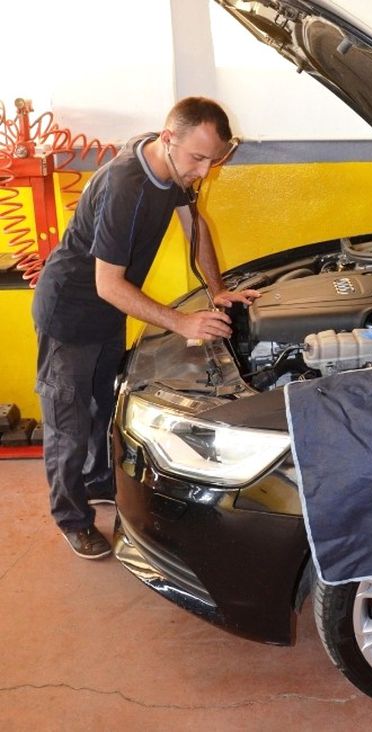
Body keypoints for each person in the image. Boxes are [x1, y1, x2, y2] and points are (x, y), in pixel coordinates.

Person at [32, 96, 260, 560]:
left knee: (104, 407)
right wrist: (182, 321)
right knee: (68, 425)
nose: (203, 171)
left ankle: (98, 483)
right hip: (69, 313)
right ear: (169, 138)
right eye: (198, 158)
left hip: (106, 313)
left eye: (212, 161)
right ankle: (72, 518)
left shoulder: (170, 166)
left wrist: (217, 290)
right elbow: (108, 284)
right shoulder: (125, 185)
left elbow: (195, 226)